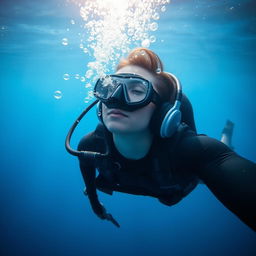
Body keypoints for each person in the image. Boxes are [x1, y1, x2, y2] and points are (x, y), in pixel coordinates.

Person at [72, 48, 256, 231]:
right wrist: (96, 206)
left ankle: (226, 138)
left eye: (137, 91)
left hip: (188, 173)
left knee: (205, 177)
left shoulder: (194, 150)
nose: (115, 99)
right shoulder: (90, 145)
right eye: (110, 89)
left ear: (163, 112)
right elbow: (87, 172)